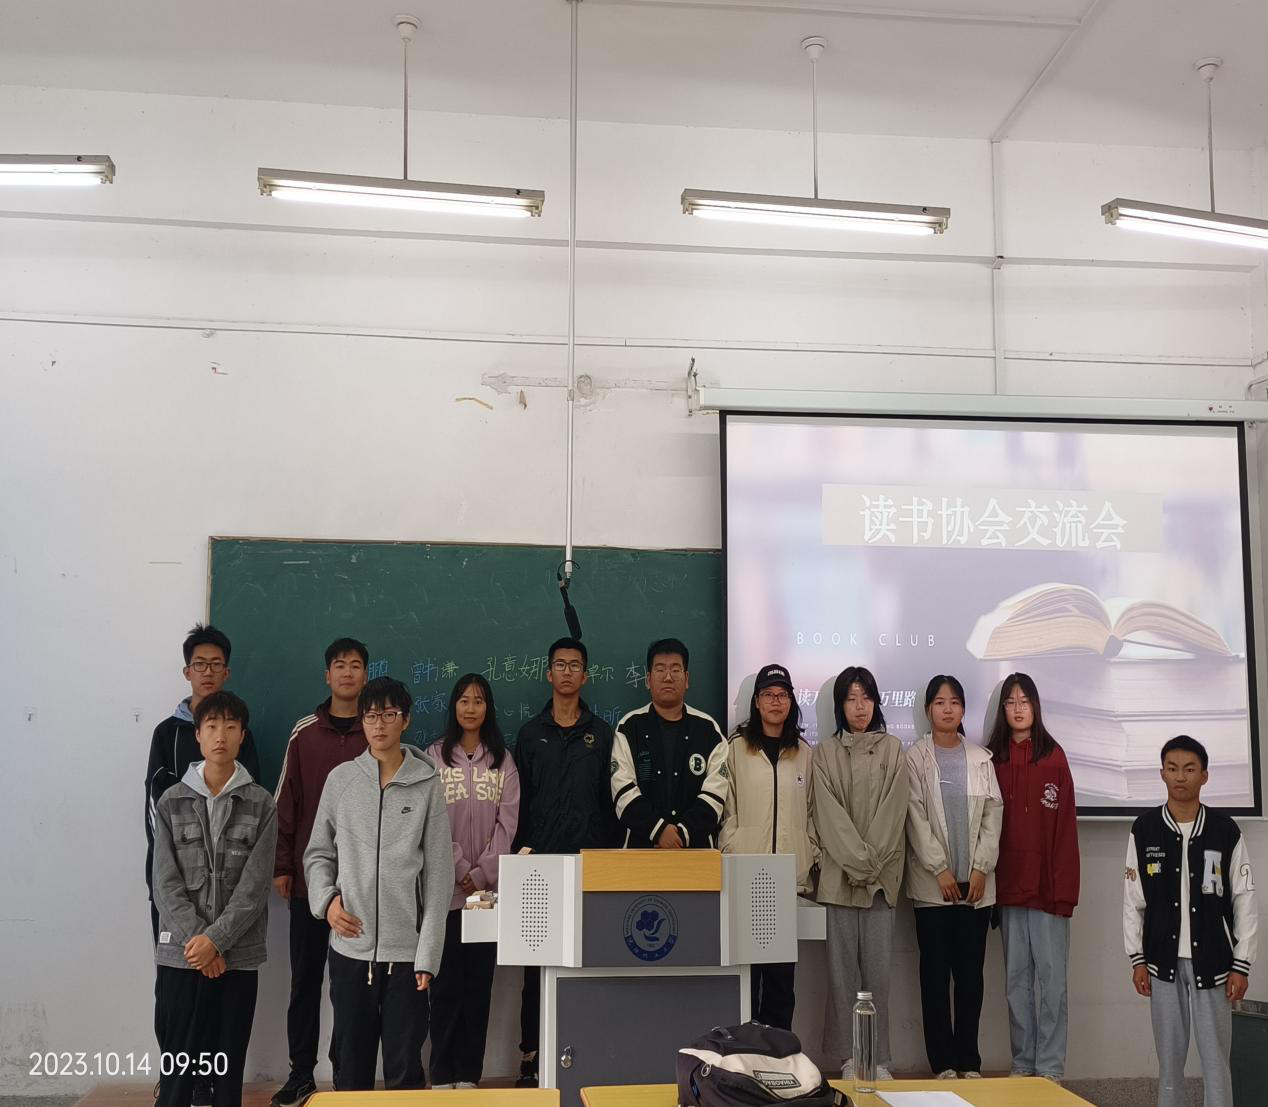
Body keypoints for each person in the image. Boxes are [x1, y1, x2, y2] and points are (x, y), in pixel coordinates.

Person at [303, 677, 453, 1091]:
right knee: (350, 1067)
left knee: (405, 1071)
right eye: (371, 716)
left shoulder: (427, 784)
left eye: (389, 714)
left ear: (405, 720)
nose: (379, 724)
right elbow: (318, 854)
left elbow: (439, 875)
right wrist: (327, 903)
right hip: (350, 950)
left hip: (407, 956)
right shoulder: (341, 780)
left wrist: (428, 955)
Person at [151, 691, 277, 1107]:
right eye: (211, 726)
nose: (220, 735)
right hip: (183, 955)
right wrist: (200, 943)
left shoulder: (261, 804)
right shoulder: (170, 801)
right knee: (177, 1069)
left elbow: (254, 887)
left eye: (230, 726)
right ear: (198, 735)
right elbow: (164, 882)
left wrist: (217, 942)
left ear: (242, 735)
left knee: (227, 1067)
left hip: (237, 956)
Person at [1123, 735, 1257, 1107]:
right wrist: (1136, 958)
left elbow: (1244, 899)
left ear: (1204, 776)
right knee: (1169, 1065)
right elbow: (1133, 899)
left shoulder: (1225, 830)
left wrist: (1242, 963)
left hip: (1214, 962)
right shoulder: (1145, 828)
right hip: (1161, 963)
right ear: (1162, 774)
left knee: (1216, 1063)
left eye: (1189, 769)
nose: (1180, 777)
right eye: (1172, 768)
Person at [511, 636, 617, 1087]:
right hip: (539, 866)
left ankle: (586, 1049)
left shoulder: (602, 733)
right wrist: (519, 856)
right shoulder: (529, 734)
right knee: (536, 965)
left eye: (575, 665)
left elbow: (610, 804)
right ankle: (532, 1056)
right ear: (548, 673)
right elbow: (518, 802)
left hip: (589, 866)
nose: (567, 671)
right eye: (560, 664)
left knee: (587, 961)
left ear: (585, 675)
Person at [270, 637, 369, 1107]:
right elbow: (285, 802)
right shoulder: (304, 734)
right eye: (339, 665)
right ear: (327, 675)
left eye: (356, 665)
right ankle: (301, 1073)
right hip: (310, 883)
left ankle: (347, 1073)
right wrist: (282, 865)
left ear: (366, 675)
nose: (347, 673)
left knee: (350, 986)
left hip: (363, 885)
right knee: (305, 982)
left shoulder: (377, 730)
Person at [813, 665, 908, 1081]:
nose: (859, 706)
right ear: (840, 705)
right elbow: (828, 817)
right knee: (841, 977)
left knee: (878, 975)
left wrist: (869, 866)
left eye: (866, 697)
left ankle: (878, 1059)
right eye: (851, 698)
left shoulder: (894, 750)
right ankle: (850, 1058)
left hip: (880, 882)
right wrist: (857, 862)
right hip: (839, 882)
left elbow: (894, 812)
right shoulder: (824, 753)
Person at [905, 675, 1003, 1080]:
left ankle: (968, 1060)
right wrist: (940, 869)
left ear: (963, 709)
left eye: (955, 702)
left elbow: (993, 815)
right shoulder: (915, 758)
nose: (948, 709)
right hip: (933, 888)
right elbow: (914, 817)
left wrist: (981, 868)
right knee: (934, 978)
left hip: (975, 888)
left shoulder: (981, 758)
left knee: (970, 979)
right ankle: (943, 1062)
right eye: (940, 702)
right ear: (928, 709)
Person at [428, 674, 520, 1090]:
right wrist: (458, 866)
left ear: (488, 709)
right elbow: (430, 820)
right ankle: (441, 1074)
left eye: (478, 701)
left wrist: (480, 873)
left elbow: (508, 824)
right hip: (444, 892)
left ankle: (468, 1075)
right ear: (454, 706)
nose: (470, 708)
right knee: (444, 986)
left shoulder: (503, 761)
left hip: (485, 894)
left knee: (478, 987)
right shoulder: (433, 757)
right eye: (464, 700)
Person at [987, 672, 1080, 1083]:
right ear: (1002, 710)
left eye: (1024, 700)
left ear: (1036, 706)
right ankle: (1023, 1063)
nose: (1018, 708)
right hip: (1009, 891)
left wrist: (1064, 893)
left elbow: (1066, 833)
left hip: (1047, 892)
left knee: (1052, 984)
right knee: (1016, 984)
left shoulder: (1054, 758)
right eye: (1010, 701)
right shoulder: (992, 760)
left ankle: (1051, 1068)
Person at [145, 623, 261, 944]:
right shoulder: (167, 733)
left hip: (229, 885)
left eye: (215, 664)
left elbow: (251, 804)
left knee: (224, 964)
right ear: (187, 672)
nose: (207, 672)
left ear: (227, 672)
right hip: (176, 883)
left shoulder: (240, 735)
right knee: (177, 970)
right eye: (200, 664)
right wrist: (165, 870)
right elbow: (156, 807)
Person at [719, 663, 817, 1030]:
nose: (776, 701)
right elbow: (725, 806)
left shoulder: (803, 752)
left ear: (791, 702)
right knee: (745, 980)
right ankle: (743, 1055)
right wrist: (733, 846)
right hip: (744, 879)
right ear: (756, 702)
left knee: (780, 985)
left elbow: (813, 812)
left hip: (787, 883)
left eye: (783, 695)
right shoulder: (736, 748)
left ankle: (777, 1054)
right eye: (768, 694)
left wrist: (809, 852)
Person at [612, 638, 728, 849]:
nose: (668, 677)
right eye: (660, 670)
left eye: (675, 670)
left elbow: (716, 793)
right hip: (640, 852)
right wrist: (659, 831)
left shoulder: (708, 729)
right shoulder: (629, 727)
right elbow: (622, 790)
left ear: (687, 678)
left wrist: (680, 835)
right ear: (648, 679)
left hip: (696, 853)